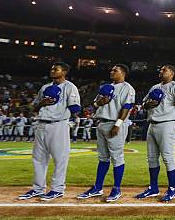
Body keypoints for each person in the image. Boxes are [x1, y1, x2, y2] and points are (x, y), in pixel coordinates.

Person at [18, 62, 81, 201]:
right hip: (41, 124)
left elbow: (76, 108)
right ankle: (38, 188)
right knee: (38, 159)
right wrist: (43, 103)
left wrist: (65, 109)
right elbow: (34, 107)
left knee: (60, 158)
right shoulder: (45, 87)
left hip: (58, 125)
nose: (52, 70)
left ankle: (57, 189)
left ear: (64, 72)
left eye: (56, 69)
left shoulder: (70, 87)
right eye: (52, 68)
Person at [77, 64, 136, 202]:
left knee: (117, 157)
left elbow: (127, 107)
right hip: (102, 123)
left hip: (114, 124)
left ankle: (116, 189)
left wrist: (118, 124)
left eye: (115, 70)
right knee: (103, 158)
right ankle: (97, 187)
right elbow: (95, 104)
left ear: (123, 73)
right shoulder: (106, 87)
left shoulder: (127, 88)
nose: (112, 72)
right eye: (111, 70)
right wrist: (100, 102)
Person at [135, 65, 175, 202]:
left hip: (168, 124)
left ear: (172, 73)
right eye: (160, 69)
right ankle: (153, 188)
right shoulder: (155, 87)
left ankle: (172, 189)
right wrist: (149, 104)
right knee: (152, 158)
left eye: (164, 70)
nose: (161, 71)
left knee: (168, 157)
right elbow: (144, 105)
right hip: (152, 124)